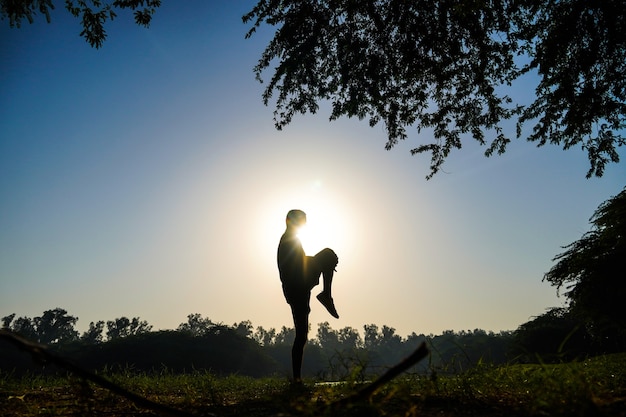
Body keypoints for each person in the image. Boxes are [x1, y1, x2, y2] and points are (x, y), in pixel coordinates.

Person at [277, 209, 339, 381]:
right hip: (298, 284)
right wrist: (316, 263)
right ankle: (326, 295)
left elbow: (299, 262)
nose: (304, 224)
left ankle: (297, 379)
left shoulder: (291, 240)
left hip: (297, 286)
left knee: (302, 335)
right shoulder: (289, 241)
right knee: (328, 255)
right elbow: (296, 265)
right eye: (302, 221)